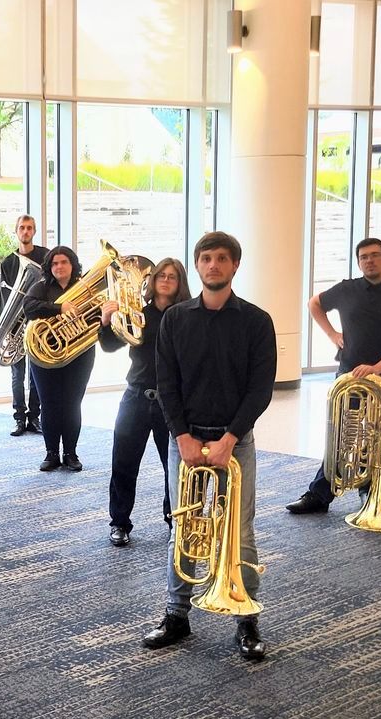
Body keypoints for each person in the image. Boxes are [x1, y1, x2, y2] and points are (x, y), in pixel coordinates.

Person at [142, 231, 276, 660]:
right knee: (184, 528)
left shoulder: (257, 321)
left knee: (241, 531)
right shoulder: (175, 319)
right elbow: (166, 383)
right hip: (186, 439)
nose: (213, 265)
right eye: (205, 258)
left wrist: (230, 438)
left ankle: (246, 618)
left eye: (221, 258)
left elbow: (260, 389)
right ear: (197, 265)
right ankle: (176, 615)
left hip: (235, 441)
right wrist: (181, 435)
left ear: (235, 265)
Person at [286, 237, 381, 514]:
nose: (369, 261)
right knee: (340, 435)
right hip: (348, 373)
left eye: (375, 255)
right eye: (363, 257)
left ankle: (369, 492)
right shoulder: (347, 289)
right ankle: (320, 495)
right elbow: (314, 304)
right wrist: (332, 334)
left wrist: (376, 368)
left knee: (375, 435)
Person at [99, 258, 191, 547]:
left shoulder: (187, 317)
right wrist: (106, 321)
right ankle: (119, 522)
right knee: (123, 462)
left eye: (172, 276)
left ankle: (174, 518)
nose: (165, 280)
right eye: (161, 275)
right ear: (152, 280)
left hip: (172, 401)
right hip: (136, 395)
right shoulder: (138, 312)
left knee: (174, 465)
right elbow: (110, 345)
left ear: (180, 282)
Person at [23, 247, 95, 472]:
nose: (59, 267)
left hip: (79, 355)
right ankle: (51, 453)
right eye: (54, 263)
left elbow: (96, 312)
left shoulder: (84, 287)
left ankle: (71, 453)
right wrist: (59, 308)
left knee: (72, 404)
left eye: (64, 262)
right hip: (45, 357)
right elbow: (28, 307)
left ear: (72, 265)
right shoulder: (41, 287)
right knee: (49, 404)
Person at [0, 214, 48, 437]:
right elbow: (5, 296)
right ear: (16, 231)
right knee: (17, 374)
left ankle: (34, 417)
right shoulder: (8, 262)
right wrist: (6, 326)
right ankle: (19, 418)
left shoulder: (45, 256)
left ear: (34, 231)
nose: (25, 231)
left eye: (29, 228)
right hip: (16, 324)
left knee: (36, 373)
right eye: (22, 228)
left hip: (37, 323)